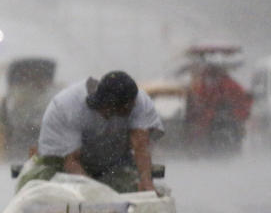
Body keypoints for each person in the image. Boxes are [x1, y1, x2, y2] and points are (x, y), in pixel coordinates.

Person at [18, 71, 164, 193]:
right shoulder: (66, 107)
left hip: (114, 165)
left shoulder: (140, 104)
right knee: (44, 191)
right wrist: (95, 193)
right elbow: (70, 162)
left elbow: (140, 147)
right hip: (61, 165)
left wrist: (146, 180)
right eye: (104, 109)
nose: (106, 113)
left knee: (132, 186)